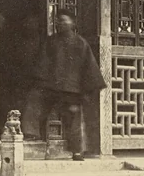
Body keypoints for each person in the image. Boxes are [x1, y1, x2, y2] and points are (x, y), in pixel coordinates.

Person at [22, 10, 106, 160]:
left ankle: (77, 151)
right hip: (50, 88)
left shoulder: (81, 43)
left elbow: (89, 68)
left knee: (73, 120)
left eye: (64, 21)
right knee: (34, 101)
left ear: (72, 24)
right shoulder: (51, 41)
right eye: (59, 21)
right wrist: (41, 82)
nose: (61, 24)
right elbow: (42, 63)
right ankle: (31, 134)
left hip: (71, 91)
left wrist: (84, 92)